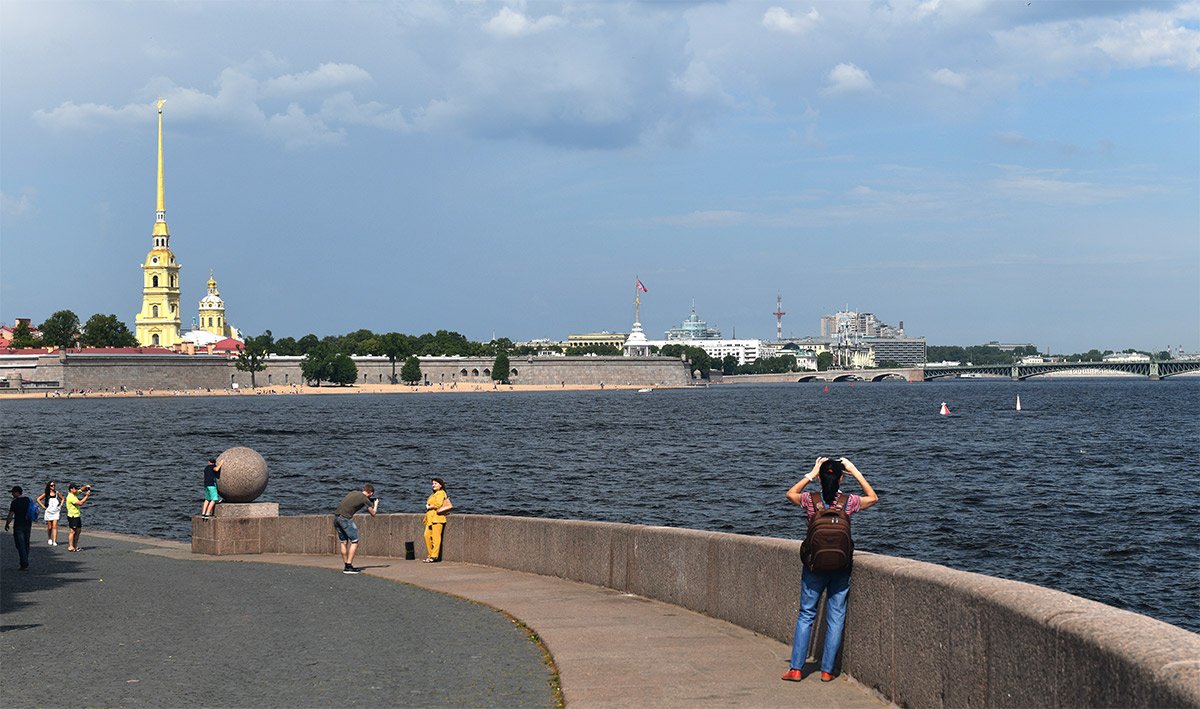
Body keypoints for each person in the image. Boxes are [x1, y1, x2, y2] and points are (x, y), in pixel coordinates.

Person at [781, 457, 878, 683]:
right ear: (841, 477)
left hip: (814, 566)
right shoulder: (848, 502)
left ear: (821, 478)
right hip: (841, 568)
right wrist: (856, 471)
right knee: (836, 617)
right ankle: (826, 671)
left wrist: (811, 473)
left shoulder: (809, 500)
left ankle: (796, 669)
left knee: (806, 614)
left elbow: (789, 494)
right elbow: (873, 498)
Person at [333, 484, 378, 574]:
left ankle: (346, 565)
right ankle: (349, 566)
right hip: (345, 519)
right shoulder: (365, 499)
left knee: (343, 542)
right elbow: (373, 514)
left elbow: (355, 501)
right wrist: (375, 504)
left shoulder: (354, 492)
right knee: (355, 541)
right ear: (371, 493)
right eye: (371, 495)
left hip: (336, 518)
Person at [5, 486, 36, 570]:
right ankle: (25, 559)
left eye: (13, 492)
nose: (12, 494)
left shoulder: (15, 502)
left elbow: (11, 514)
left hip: (18, 525)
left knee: (19, 544)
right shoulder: (28, 499)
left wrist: (7, 524)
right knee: (26, 543)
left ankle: (24, 562)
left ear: (17, 492)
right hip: (28, 524)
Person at [422, 477, 453, 562]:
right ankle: (430, 555)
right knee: (426, 535)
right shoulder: (433, 494)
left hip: (437, 518)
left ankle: (434, 556)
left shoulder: (441, 493)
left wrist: (429, 506)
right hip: (430, 518)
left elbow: (438, 504)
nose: (433, 485)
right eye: (432, 484)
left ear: (440, 485)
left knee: (436, 538)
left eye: (435, 483)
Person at [65, 483, 92, 552]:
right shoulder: (71, 497)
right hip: (72, 516)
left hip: (77, 515)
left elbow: (80, 490)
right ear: (71, 489)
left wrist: (85, 487)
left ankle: (75, 546)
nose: (76, 490)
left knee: (78, 530)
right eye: (75, 488)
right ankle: (70, 546)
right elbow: (80, 503)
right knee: (72, 531)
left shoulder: (74, 494)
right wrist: (87, 496)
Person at [37, 481, 64, 545]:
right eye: (51, 485)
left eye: (54, 485)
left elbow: (63, 499)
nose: (53, 487)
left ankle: (54, 541)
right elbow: (38, 499)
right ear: (49, 486)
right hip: (49, 511)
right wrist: (44, 507)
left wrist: (60, 506)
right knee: (49, 527)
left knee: (55, 526)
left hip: (56, 511)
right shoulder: (46, 493)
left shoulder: (57, 493)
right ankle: (49, 538)